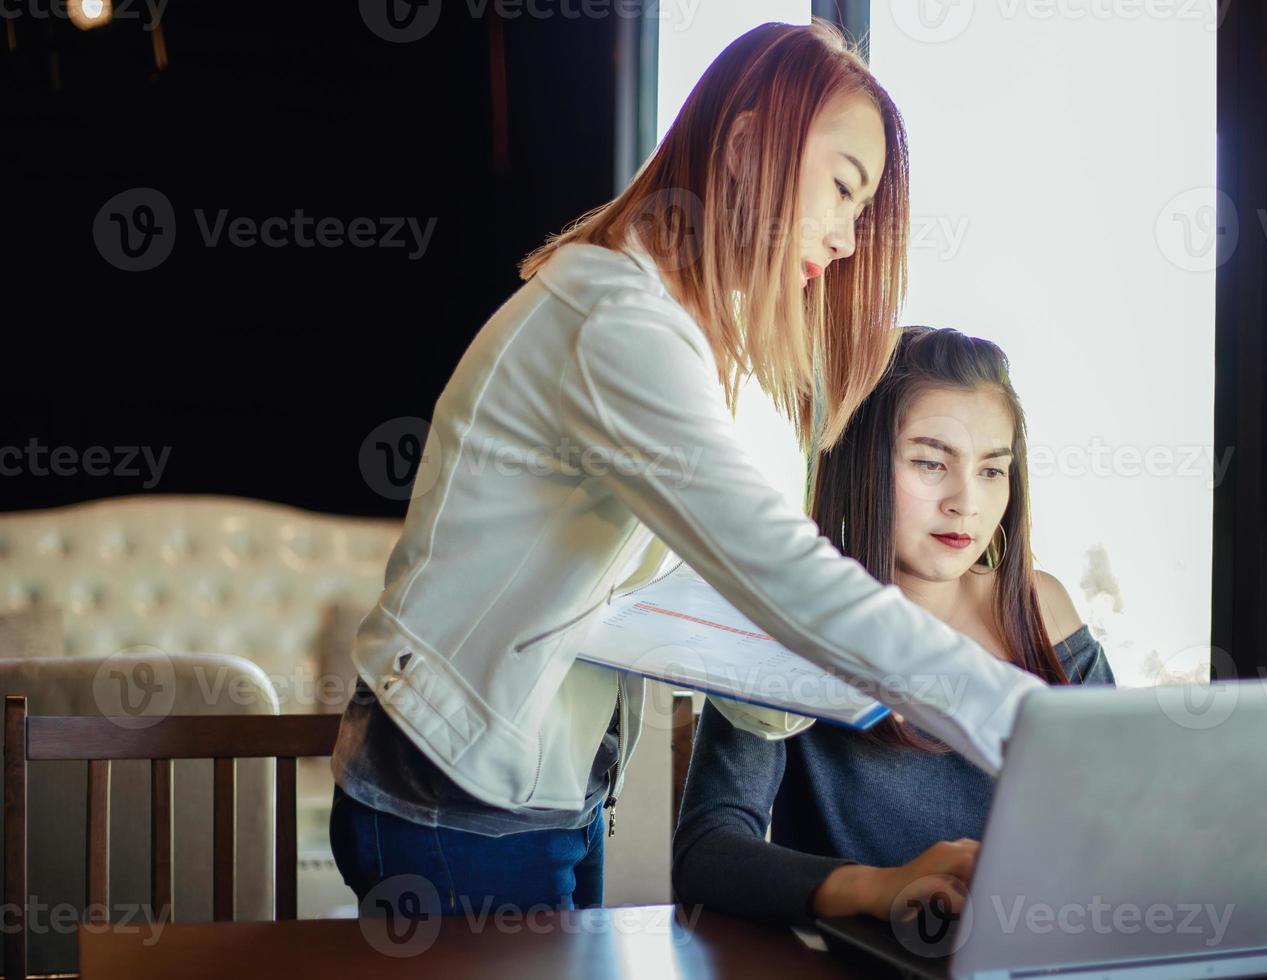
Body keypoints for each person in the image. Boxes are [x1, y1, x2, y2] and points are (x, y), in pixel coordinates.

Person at [328, 22, 1049, 918]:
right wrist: (1027, 723)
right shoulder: (620, 325)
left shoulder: (691, 339)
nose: (850, 238)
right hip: (456, 796)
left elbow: (702, 583)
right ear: (746, 148)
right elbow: (773, 563)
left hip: (542, 788)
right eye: (841, 189)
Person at [672, 326, 1117, 926]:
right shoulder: (781, 625)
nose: (967, 502)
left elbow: (1118, 817)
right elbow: (707, 854)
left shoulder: (1043, 611)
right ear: (863, 466)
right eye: (932, 463)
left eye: (992, 471)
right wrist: (877, 889)